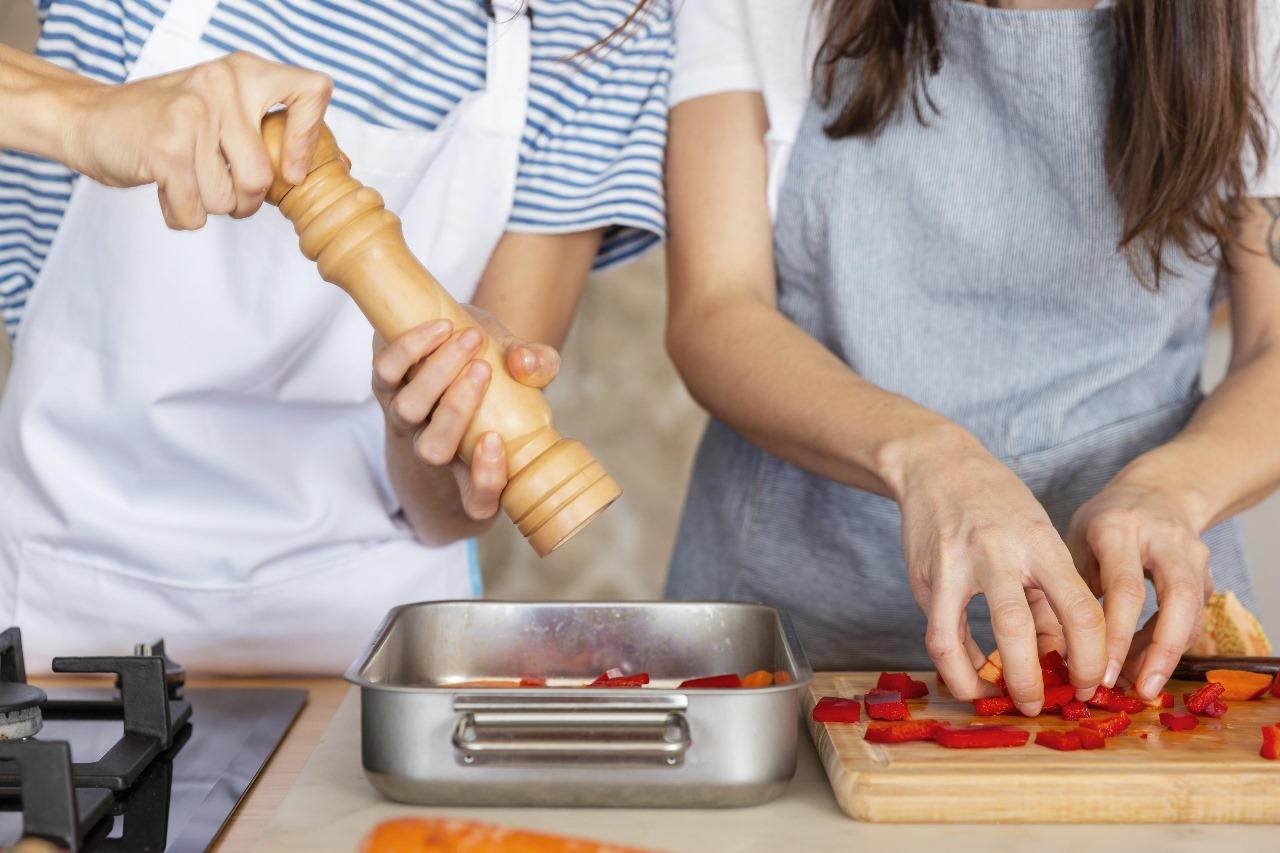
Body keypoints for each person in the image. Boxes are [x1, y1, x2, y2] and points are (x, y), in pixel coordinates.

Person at [0, 0, 669, 672]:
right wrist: (80, 113)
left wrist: (439, 412)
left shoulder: (598, 22)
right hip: (63, 616)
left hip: (365, 656)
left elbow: (453, 509)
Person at [664, 0, 1280, 715]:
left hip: (1142, 638)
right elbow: (716, 311)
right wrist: (931, 459)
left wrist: (1174, 490)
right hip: (796, 629)